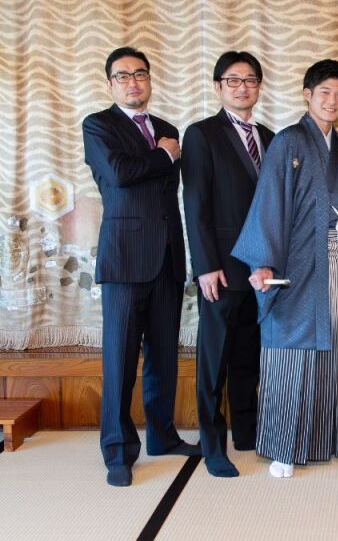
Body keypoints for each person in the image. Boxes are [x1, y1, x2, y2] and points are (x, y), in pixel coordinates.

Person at [231, 59, 338, 479]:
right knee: (292, 348)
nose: (332, 100)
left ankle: (327, 439)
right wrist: (264, 261)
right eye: (324, 92)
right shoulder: (288, 142)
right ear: (307, 95)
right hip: (299, 262)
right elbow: (270, 200)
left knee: (333, 347)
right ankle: (285, 445)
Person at [83, 46, 200, 487]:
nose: (133, 82)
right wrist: (165, 157)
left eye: (140, 74)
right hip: (125, 260)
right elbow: (118, 174)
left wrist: (158, 160)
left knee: (163, 359)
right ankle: (117, 451)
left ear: (150, 80)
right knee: (119, 360)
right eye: (123, 76)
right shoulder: (98, 125)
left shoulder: (168, 128)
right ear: (111, 83)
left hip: (167, 258)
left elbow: (166, 193)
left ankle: (163, 436)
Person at [182, 51, 275, 477]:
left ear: (259, 87)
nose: (242, 87)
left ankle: (247, 432)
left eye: (250, 80)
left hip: (261, 272)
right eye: (233, 80)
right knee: (214, 358)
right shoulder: (202, 134)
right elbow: (196, 201)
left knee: (248, 356)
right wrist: (205, 265)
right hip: (220, 268)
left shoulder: (272, 138)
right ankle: (212, 443)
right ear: (218, 86)